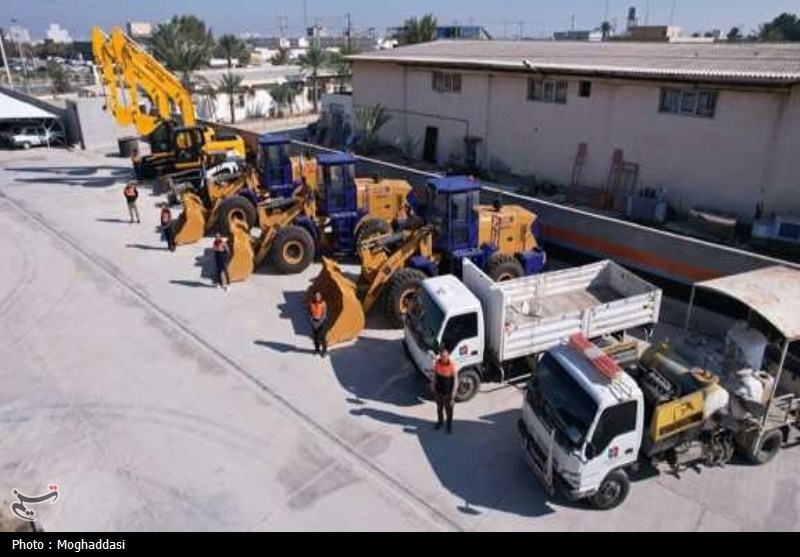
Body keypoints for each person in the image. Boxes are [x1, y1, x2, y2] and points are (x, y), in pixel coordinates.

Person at [432, 349, 458, 434]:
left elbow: (455, 381)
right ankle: (440, 422)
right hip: (438, 392)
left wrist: (453, 395)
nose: (444, 358)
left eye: (446, 356)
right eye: (442, 356)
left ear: (448, 356)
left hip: (448, 394)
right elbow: (435, 374)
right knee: (439, 409)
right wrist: (433, 385)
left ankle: (449, 425)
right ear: (440, 356)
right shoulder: (437, 362)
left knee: (449, 411)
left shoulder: (452, 365)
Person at [309, 292, 328, 357]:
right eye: (316, 296)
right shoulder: (312, 303)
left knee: (322, 336)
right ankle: (317, 349)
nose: (317, 297)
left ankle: (324, 350)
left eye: (318, 296)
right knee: (315, 336)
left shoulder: (323, 303)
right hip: (314, 321)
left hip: (322, 321)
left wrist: (319, 323)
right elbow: (311, 313)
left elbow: (324, 315)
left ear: (320, 297)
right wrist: (312, 320)